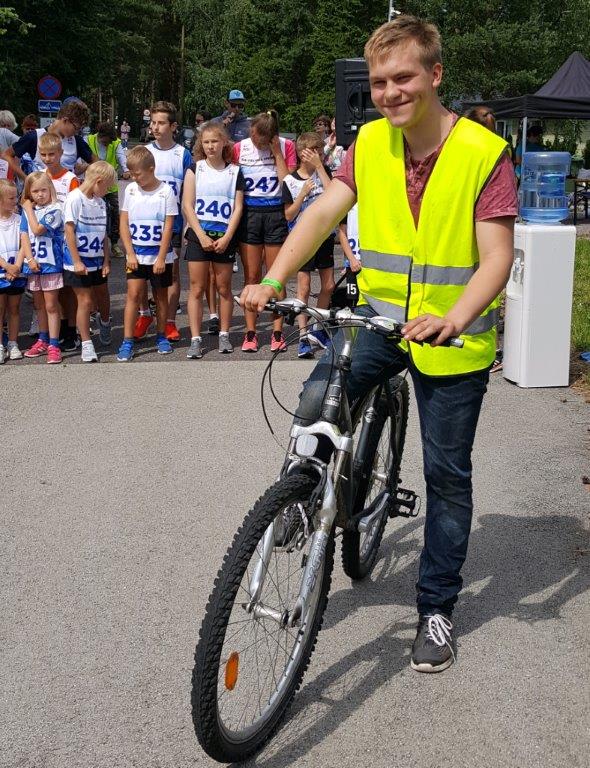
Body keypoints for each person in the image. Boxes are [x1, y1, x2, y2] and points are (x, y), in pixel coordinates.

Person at [241, 15, 517, 673]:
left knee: (447, 476)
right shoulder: (368, 143)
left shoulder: (484, 153)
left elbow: (497, 258)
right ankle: (303, 498)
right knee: (315, 399)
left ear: (435, 74)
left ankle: (436, 609)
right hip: (380, 317)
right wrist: (274, 278)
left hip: (452, 339)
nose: (390, 93)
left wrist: (456, 316)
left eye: (403, 77)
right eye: (379, 82)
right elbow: (321, 212)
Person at [233, 109, 297, 352]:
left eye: (261, 140)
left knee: (274, 277)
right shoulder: (239, 148)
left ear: (271, 137)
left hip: (275, 213)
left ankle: (277, 333)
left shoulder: (286, 146)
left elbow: (287, 183)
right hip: (250, 214)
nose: (255, 141)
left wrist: (277, 153)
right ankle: (250, 333)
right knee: (251, 276)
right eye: (253, 135)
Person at [133, 101, 191, 343]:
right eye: (153, 123)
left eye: (161, 123)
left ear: (173, 126)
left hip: (172, 224)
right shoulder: (144, 151)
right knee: (140, 276)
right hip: (144, 224)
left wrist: (188, 222)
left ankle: (169, 321)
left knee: (172, 275)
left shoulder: (183, 154)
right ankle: (144, 315)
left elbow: (188, 192)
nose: (155, 127)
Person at [116, 146, 176, 362]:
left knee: (160, 296)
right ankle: (127, 341)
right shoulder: (131, 190)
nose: (134, 178)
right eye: (132, 174)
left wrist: (161, 257)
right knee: (133, 295)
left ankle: (161, 335)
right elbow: (123, 222)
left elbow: (168, 227)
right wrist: (129, 253)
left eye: (138, 174)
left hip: (159, 256)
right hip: (136, 255)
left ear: (151, 169)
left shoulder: (166, 191)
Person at [281, 131, 335, 358]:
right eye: (316, 152)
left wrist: (321, 167)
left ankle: (317, 329)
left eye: (321, 152)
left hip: (324, 236)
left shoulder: (325, 172)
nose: (319, 156)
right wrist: (302, 194)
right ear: (303, 154)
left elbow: (334, 195)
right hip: (302, 238)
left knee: (329, 285)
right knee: (304, 288)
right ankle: (303, 336)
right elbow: (288, 215)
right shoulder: (290, 181)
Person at [62, 161, 116, 363]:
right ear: (98, 181)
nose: (107, 191)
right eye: (107, 187)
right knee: (84, 300)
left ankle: (105, 321)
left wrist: (106, 260)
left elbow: (103, 235)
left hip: (97, 259)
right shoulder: (74, 199)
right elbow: (69, 231)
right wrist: (76, 261)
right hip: (78, 261)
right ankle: (86, 343)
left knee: (102, 294)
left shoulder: (101, 203)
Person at [19, 172, 64, 364]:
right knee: (38, 305)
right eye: (35, 191)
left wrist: (28, 209)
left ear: (50, 189)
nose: (40, 194)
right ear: (29, 192)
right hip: (33, 264)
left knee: (51, 305)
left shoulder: (56, 209)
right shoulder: (27, 211)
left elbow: (38, 230)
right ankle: (43, 339)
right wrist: (29, 259)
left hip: (51, 265)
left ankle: (54, 344)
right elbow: (24, 236)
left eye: (43, 190)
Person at [2, 101, 95, 181]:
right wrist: (27, 179)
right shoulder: (34, 136)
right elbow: (6, 155)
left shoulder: (77, 141)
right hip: (40, 193)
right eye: (76, 128)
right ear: (65, 120)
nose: (77, 132)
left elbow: (97, 163)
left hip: (66, 194)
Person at [85, 122, 130, 258]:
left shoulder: (115, 143)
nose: (109, 143)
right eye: (107, 141)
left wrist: (126, 170)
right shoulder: (88, 140)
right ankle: (94, 243)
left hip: (110, 185)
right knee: (91, 213)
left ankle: (115, 244)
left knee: (115, 213)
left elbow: (121, 157)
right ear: (101, 136)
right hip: (93, 185)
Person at [0, 180, 26, 363]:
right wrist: (6, 266)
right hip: (2, 272)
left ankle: (13, 343)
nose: (15, 200)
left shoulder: (19, 220)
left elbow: (24, 244)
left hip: (16, 272)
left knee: (14, 308)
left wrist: (16, 266)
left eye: (16, 197)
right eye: (11, 198)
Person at [38, 132, 79, 204]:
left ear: (61, 152)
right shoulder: (38, 176)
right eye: (43, 155)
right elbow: (26, 200)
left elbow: (76, 205)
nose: (47, 159)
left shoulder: (71, 179)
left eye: (51, 154)